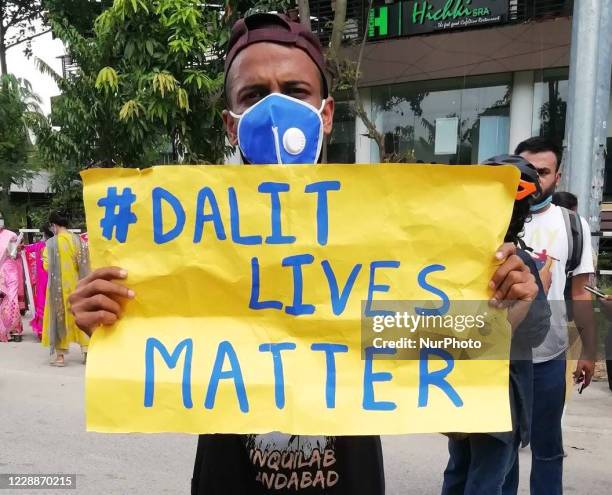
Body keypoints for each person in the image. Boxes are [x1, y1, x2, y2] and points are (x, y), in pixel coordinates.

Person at [69, 13, 541, 495]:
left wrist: (502, 310)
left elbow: (451, 415)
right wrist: (105, 326)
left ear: (327, 112)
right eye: (253, 95)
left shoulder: (386, 239)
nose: (276, 108)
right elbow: (151, 366)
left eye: (295, 91)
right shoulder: (182, 236)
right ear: (231, 124)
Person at [441, 155, 551, 495]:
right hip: (486, 395)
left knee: (468, 475)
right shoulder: (508, 264)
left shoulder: (516, 266)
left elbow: (534, 329)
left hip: (480, 393)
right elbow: (537, 331)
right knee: (481, 478)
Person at [515, 137, 597, 494]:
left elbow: (580, 294)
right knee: (499, 449)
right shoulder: (492, 218)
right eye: (525, 171)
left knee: (548, 449)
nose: (533, 180)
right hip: (499, 358)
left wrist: (589, 351)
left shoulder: (572, 226)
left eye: (542, 172)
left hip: (549, 357)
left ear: (557, 176)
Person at [42, 211, 90, 366]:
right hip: (76, 287)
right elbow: (84, 264)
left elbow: (46, 265)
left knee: (58, 319)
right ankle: (87, 352)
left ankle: (60, 357)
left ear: (54, 225)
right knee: (80, 316)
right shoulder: (78, 241)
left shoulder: (51, 244)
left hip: (58, 289)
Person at [24, 227, 53, 340]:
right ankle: (53, 331)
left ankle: (42, 331)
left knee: (42, 304)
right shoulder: (56, 246)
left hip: (42, 281)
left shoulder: (39, 246)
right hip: (54, 279)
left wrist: (21, 246)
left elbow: (27, 248)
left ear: (45, 235)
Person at [0, 214, 23, 342]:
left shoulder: (10, 235)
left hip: (9, 271)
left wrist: (15, 247)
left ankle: (15, 329)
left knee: (12, 297)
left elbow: (13, 253)